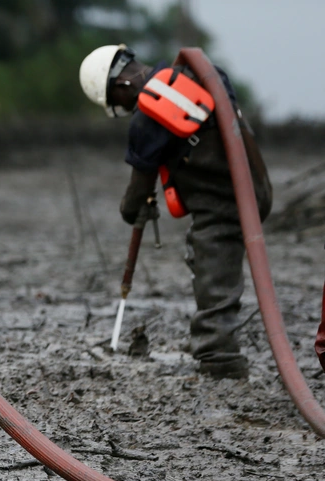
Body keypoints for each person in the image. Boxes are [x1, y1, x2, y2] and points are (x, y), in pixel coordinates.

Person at [79, 45, 273, 380]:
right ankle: (218, 353)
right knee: (204, 258)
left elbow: (136, 195)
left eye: (119, 105)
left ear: (122, 86)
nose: (126, 110)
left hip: (221, 205)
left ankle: (220, 359)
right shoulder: (199, 74)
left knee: (214, 268)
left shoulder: (147, 117)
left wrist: (130, 209)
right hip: (256, 187)